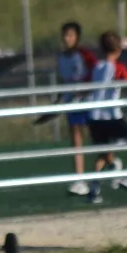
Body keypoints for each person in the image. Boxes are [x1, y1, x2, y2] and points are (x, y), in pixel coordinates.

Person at [84, 31, 127, 204]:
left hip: (94, 117)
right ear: (119, 49)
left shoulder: (96, 67)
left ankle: (94, 190)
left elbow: (87, 86)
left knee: (102, 155)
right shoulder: (117, 67)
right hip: (111, 116)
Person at [56, 22, 97, 197]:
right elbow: (63, 81)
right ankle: (80, 179)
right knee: (76, 138)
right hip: (72, 103)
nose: (67, 39)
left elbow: (96, 72)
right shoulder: (62, 58)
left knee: (97, 135)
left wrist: (88, 89)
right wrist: (58, 101)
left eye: (71, 36)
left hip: (88, 100)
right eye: (65, 35)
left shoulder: (84, 55)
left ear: (77, 37)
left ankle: (111, 162)